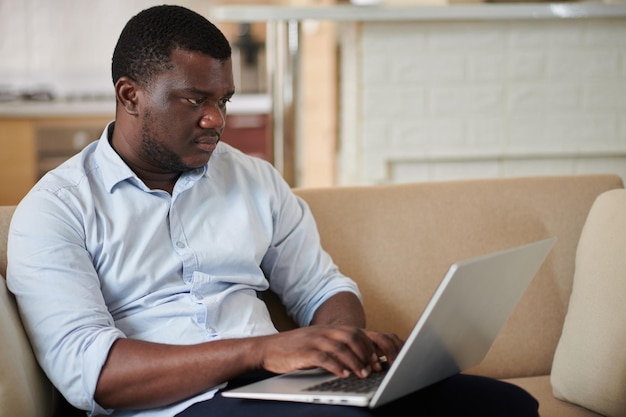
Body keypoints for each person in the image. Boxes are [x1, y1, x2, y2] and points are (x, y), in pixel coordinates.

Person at [7, 5, 540, 417]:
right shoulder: (56, 210)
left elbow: (322, 288)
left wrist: (341, 347)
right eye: (195, 100)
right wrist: (263, 351)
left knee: (505, 406)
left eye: (225, 100)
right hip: (175, 408)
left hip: (279, 394)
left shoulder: (252, 178)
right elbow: (91, 374)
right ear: (130, 96)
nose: (216, 120)